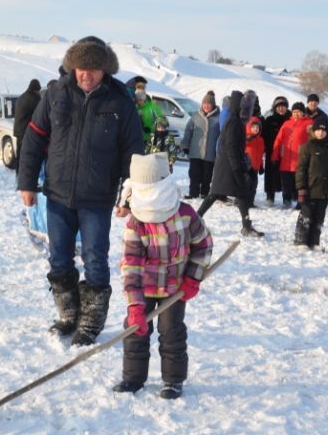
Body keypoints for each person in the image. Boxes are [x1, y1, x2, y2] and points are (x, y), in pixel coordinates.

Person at [17, 36, 144, 345]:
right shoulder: (55, 94)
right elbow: (33, 140)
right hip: (58, 194)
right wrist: (27, 183)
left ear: (105, 70)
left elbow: (133, 152)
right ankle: (68, 314)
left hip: (97, 198)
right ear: (72, 67)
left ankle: (91, 322)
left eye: (94, 68)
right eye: (81, 68)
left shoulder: (120, 101)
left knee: (95, 259)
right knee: (58, 258)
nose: (86, 74)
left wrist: (126, 196)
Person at [113, 153, 213, 399]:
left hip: (175, 288)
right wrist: (135, 305)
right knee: (136, 330)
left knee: (172, 333)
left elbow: (204, 245)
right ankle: (133, 378)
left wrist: (193, 277)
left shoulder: (185, 214)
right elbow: (132, 264)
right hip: (143, 288)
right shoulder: (136, 222)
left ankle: (173, 380)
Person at [199, 90, 264, 237]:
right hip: (228, 166)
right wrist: (238, 167)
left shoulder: (237, 121)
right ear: (239, 107)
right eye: (246, 107)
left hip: (230, 164)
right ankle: (195, 219)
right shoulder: (234, 122)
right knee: (216, 193)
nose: (248, 110)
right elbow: (231, 148)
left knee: (238, 194)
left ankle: (246, 226)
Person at [294, 120, 328, 250]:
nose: (321, 133)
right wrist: (301, 189)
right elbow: (301, 169)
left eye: (323, 130)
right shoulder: (307, 147)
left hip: (325, 190)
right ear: (313, 132)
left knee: (319, 218)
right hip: (310, 189)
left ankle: (314, 241)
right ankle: (301, 240)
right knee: (307, 216)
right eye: (318, 130)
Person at [272, 102, 313, 209]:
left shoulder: (309, 123)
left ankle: (301, 201)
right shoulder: (287, 123)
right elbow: (278, 140)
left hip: (300, 158)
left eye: (298, 112)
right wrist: (275, 156)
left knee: (300, 182)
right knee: (285, 181)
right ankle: (286, 200)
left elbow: (313, 140)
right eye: (294, 111)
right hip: (285, 159)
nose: (296, 114)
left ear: (303, 113)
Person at [180, 90, 219, 199]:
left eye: (209, 104)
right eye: (204, 104)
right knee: (194, 174)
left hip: (210, 153)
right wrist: (185, 145)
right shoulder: (195, 116)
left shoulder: (218, 118)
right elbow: (188, 131)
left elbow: (221, 136)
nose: (206, 106)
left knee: (207, 175)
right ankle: (193, 193)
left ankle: (205, 193)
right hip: (195, 151)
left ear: (213, 105)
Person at [261, 96, 290, 205]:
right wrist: (265, 148)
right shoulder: (270, 120)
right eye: (279, 106)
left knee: (285, 175)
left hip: (287, 152)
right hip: (272, 151)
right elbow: (264, 136)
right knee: (270, 174)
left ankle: (287, 197)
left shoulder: (290, 120)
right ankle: (270, 196)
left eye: (283, 106)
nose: (281, 109)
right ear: (275, 108)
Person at [13, 78, 42, 171]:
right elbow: (41, 114)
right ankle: (24, 177)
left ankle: (18, 174)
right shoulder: (34, 99)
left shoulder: (21, 97)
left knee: (20, 154)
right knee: (27, 155)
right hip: (26, 132)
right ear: (36, 90)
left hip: (18, 130)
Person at [245, 114, 265, 209]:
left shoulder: (260, 140)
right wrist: (247, 139)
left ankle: (250, 202)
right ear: (249, 127)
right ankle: (241, 201)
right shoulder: (247, 138)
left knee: (253, 185)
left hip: (256, 167)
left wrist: (261, 165)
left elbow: (260, 154)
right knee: (246, 184)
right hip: (247, 167)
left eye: (257, 127)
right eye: (253, 127)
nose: (255, 129)